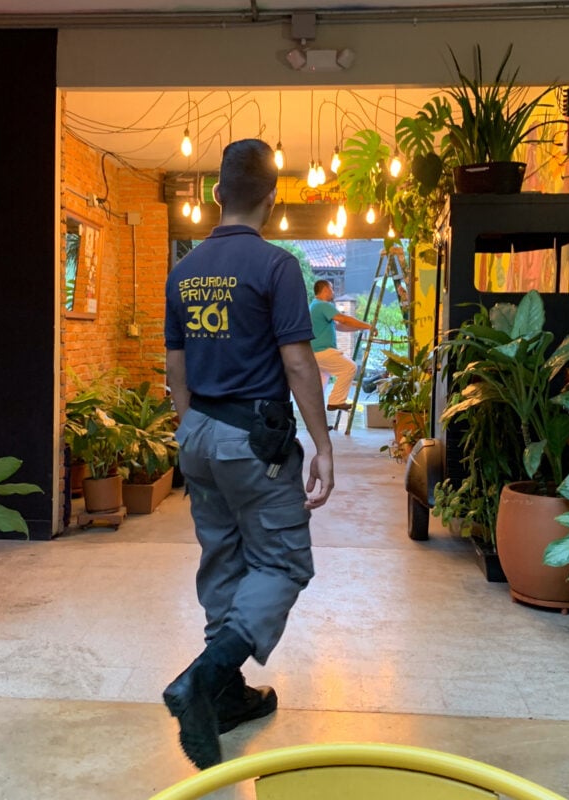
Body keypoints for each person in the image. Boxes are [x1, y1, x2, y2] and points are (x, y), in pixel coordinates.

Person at [163, 139, 335, 770]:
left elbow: (175, 366)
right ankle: (203, 682)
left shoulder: (183, 270)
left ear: (216, 194)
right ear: (273, 196)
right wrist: (322, 446)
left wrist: (192, 433)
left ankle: (229, 697)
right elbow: (297, 361)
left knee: (224, 559)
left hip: (200, 434)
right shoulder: (277, 266)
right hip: (253, 441)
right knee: (283, 564)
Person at [309, 279, 376, 411]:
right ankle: (336, 401)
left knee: (319, 388)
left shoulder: (314, 306)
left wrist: (361, 328)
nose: (333, 292)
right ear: (326, 289)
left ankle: (316, 423)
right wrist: (368, 326)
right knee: (349, 367)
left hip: (315, 353)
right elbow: (343, 319)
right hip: (322, 351)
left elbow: (340, 327)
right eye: (332, 289)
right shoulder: (323, 305)